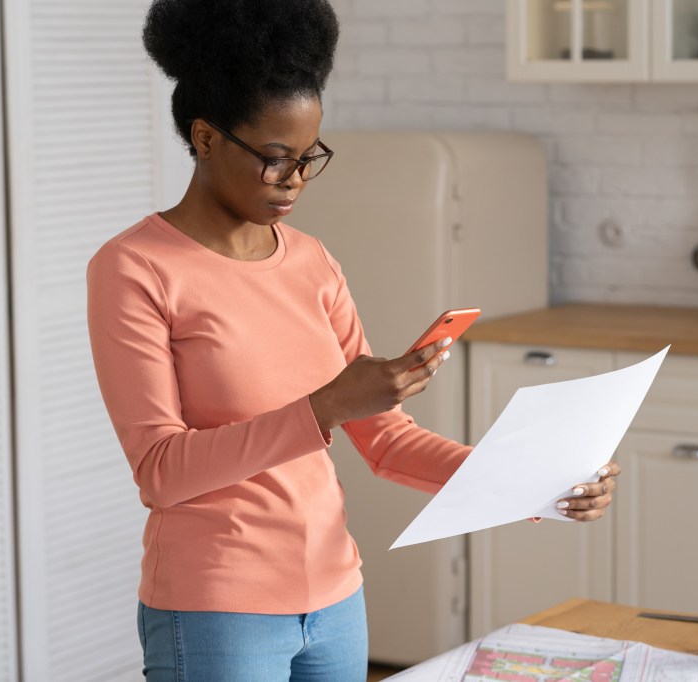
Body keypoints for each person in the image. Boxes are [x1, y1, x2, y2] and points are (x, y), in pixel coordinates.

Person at [85, 0, 621, 680]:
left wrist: (533, 483)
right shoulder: (136, 268)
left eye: (310, 157)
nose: (296, 180)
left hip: (337, 600)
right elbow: (161, 471)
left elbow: (388, 441)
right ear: (207, 137)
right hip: (216, 606)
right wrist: (324, 408)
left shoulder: (311, 260)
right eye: (274, 159)